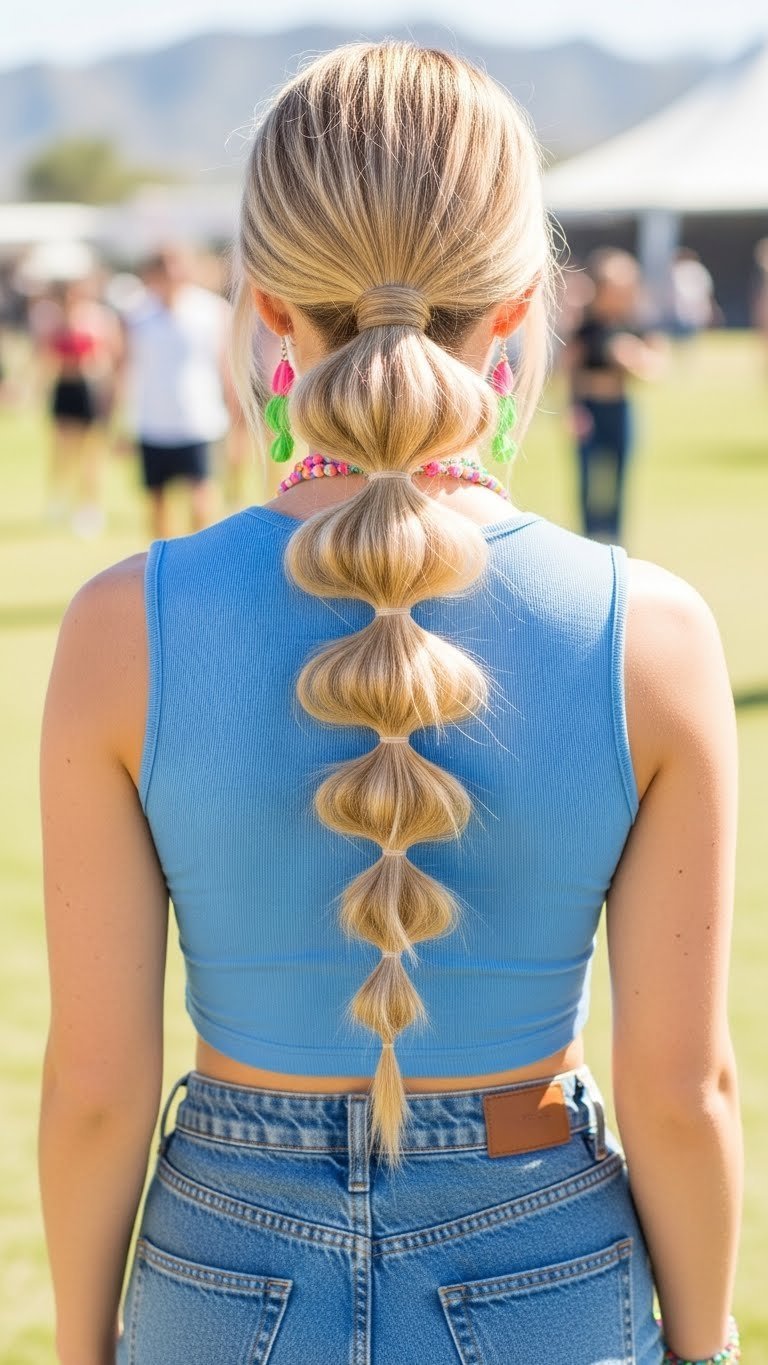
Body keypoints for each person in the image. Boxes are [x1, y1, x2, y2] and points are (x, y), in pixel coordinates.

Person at [39, 42, 742, 1365]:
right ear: (523, 306)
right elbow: (681, 1086)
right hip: (544, 1263)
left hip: (221, 1278)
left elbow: (93, 1089)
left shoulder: (119, 631)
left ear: (266, 307)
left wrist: (83, 1345)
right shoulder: (649, 632)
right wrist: (702, 1346)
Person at [120, 246, 232, 538]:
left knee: (202, 499)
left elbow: (226, 367)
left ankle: (201, 564)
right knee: (157, 505)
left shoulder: (212, 310)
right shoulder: (135, 314)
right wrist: (120, 421)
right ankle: (165, 568)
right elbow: (125, 368)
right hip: (152, 422)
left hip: (199, 420)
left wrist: (236, 416)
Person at [566, 248, 667, 545]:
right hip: (589, 406)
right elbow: (570, 367)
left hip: (621, 406)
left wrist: (634, 358)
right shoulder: (586, 324)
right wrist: (572, 409)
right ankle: (588, 536)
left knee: (620, 477)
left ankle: (615, 539)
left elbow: (657, 366)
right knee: (588, 478)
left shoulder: (634, 322)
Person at [34, 277, 120, 536]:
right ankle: (58, 501)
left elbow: (108, 356)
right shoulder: (53, 321)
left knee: (91, 453)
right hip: (65, 389)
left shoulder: (98, 319)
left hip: (88, 389)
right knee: (62, 450)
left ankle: (89, 507)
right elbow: (44, 357)